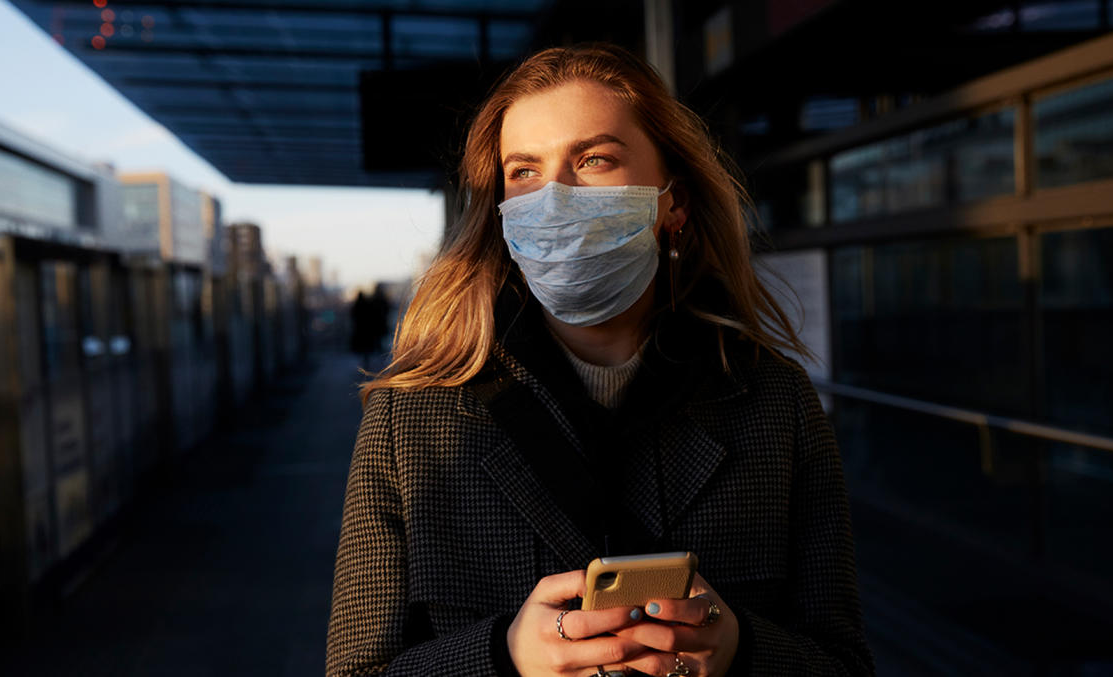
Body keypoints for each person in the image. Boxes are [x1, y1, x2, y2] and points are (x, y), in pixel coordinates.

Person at [326, 43, 874, 677]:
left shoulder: (776, 404)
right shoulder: (411, 419)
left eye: (594, 159)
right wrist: (503, 658)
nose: (553, 198)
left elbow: (844, 662)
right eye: (524, 171)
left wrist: (740, 649)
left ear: (675, 203)